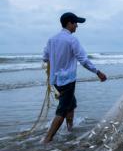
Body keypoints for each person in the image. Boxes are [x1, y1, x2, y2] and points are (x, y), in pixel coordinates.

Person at [42, 12, 107, 143]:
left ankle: (69, 130)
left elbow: (45, 57)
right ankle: (47, 139)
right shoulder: (72, 39)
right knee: (63, 109)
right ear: (69, 23)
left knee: (71, 105)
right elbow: (83, 60)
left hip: (56, 81)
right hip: (67, 81)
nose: (77, 26)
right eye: (75, 23)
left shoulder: (51, 39)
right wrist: (98, 72)